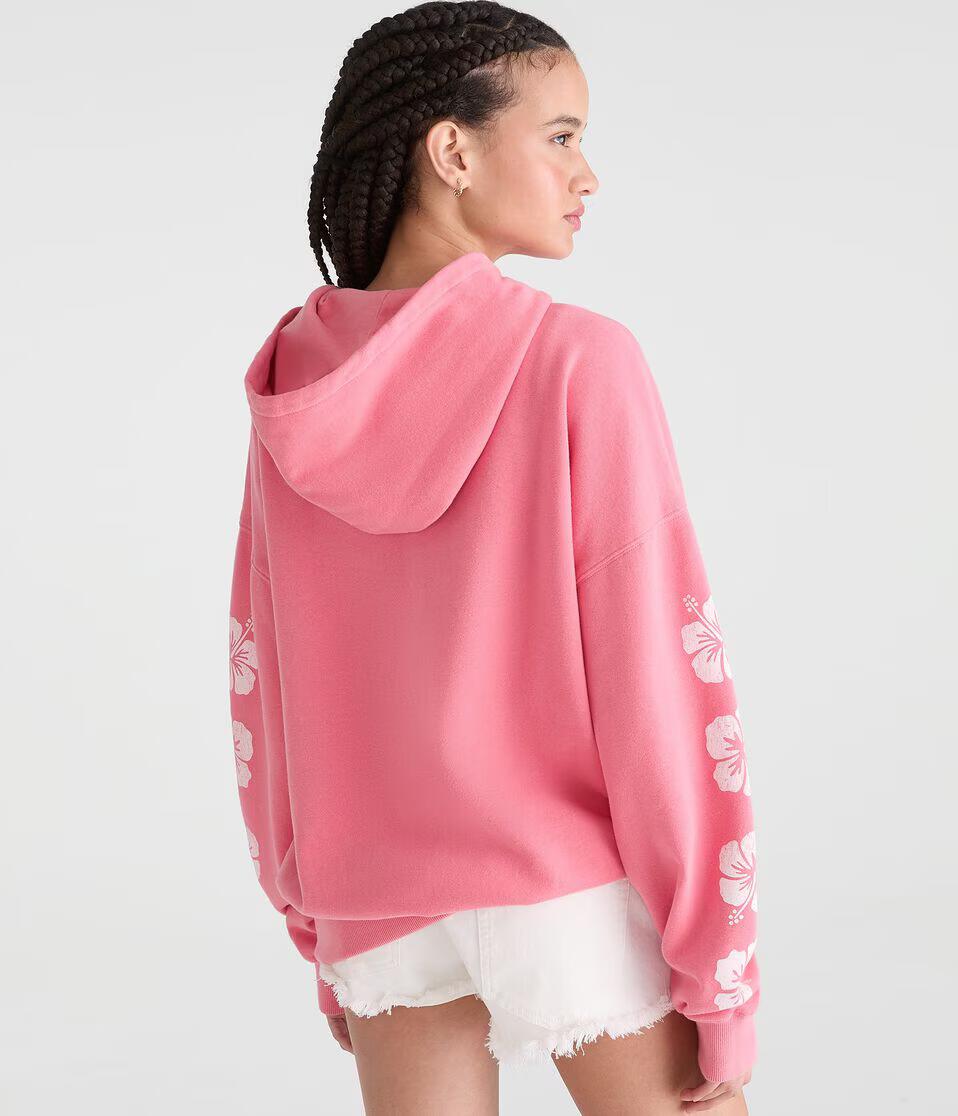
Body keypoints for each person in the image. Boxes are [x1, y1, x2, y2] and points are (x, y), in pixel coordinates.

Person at [227, 3, 760, 1112]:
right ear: (453, 151)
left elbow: (263, 671)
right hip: (560, 890)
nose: (586, 174)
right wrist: (718, 973)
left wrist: (315, 920)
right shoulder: (577, 361)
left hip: (373, 898)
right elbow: (658, 684)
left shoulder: (296, 384)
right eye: (560, 136)